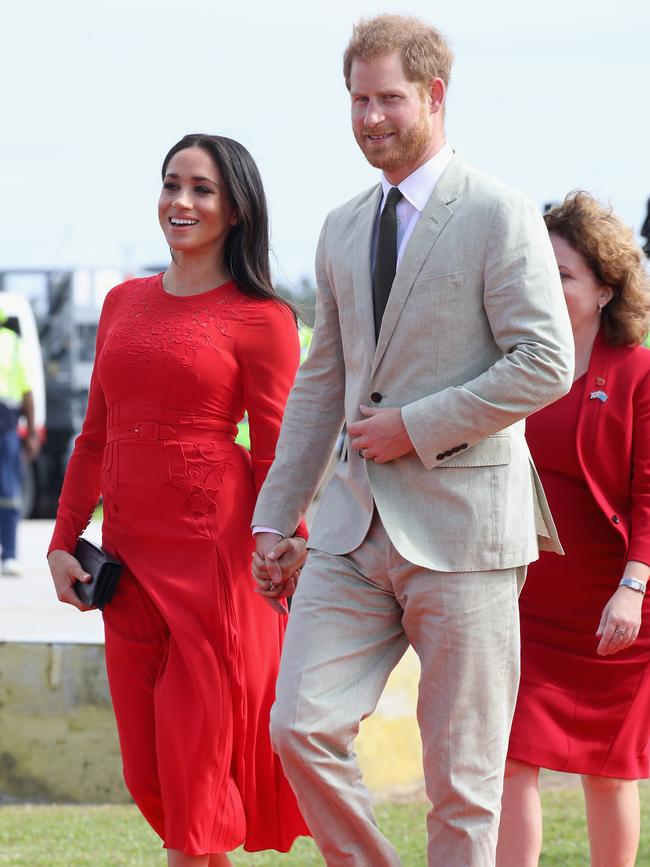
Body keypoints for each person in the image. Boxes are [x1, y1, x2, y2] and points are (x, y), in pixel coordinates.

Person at [251, 14, 574, 867]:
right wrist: (275, 518)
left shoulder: (500, 214)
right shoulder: (342, 226)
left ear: (435, 95)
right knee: (299, 725)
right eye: (357, 100)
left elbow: (546, 361)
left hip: (467, 534)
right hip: (353, 531)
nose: (369, 118)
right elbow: (324, 384)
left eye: (388, 98)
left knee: (463, 781)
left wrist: (416, 427)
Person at [47, 134, 309, 866]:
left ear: (235, 210)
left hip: (213, 569)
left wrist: (287, 543)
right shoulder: (121, 302)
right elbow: (93, 437)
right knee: (154, 780)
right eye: (171, 184)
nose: (180, 202)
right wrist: (63, 540)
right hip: (127, 571)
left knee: (196, 790)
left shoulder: (263, 318)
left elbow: (278, 453)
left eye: (201, 189)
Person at [497, 192, 650, 867]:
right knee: (508, 756)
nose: (544, 284)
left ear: (605, 287)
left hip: (611, 604)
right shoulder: (511, 362)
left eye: (561, 274)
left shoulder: (639, 373)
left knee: (609, 767)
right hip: (519, 600)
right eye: (538, 269)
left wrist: (633, 586)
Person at [0, 310, 39, 575]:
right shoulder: (13, 342)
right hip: (7, 424)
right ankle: (10, 555)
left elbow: (26, 388)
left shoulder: (12, 341)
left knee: (9, 490)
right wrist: (32, 433)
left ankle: (11, 554)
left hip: (6, 424)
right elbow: (28, 390)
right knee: (8, 490)